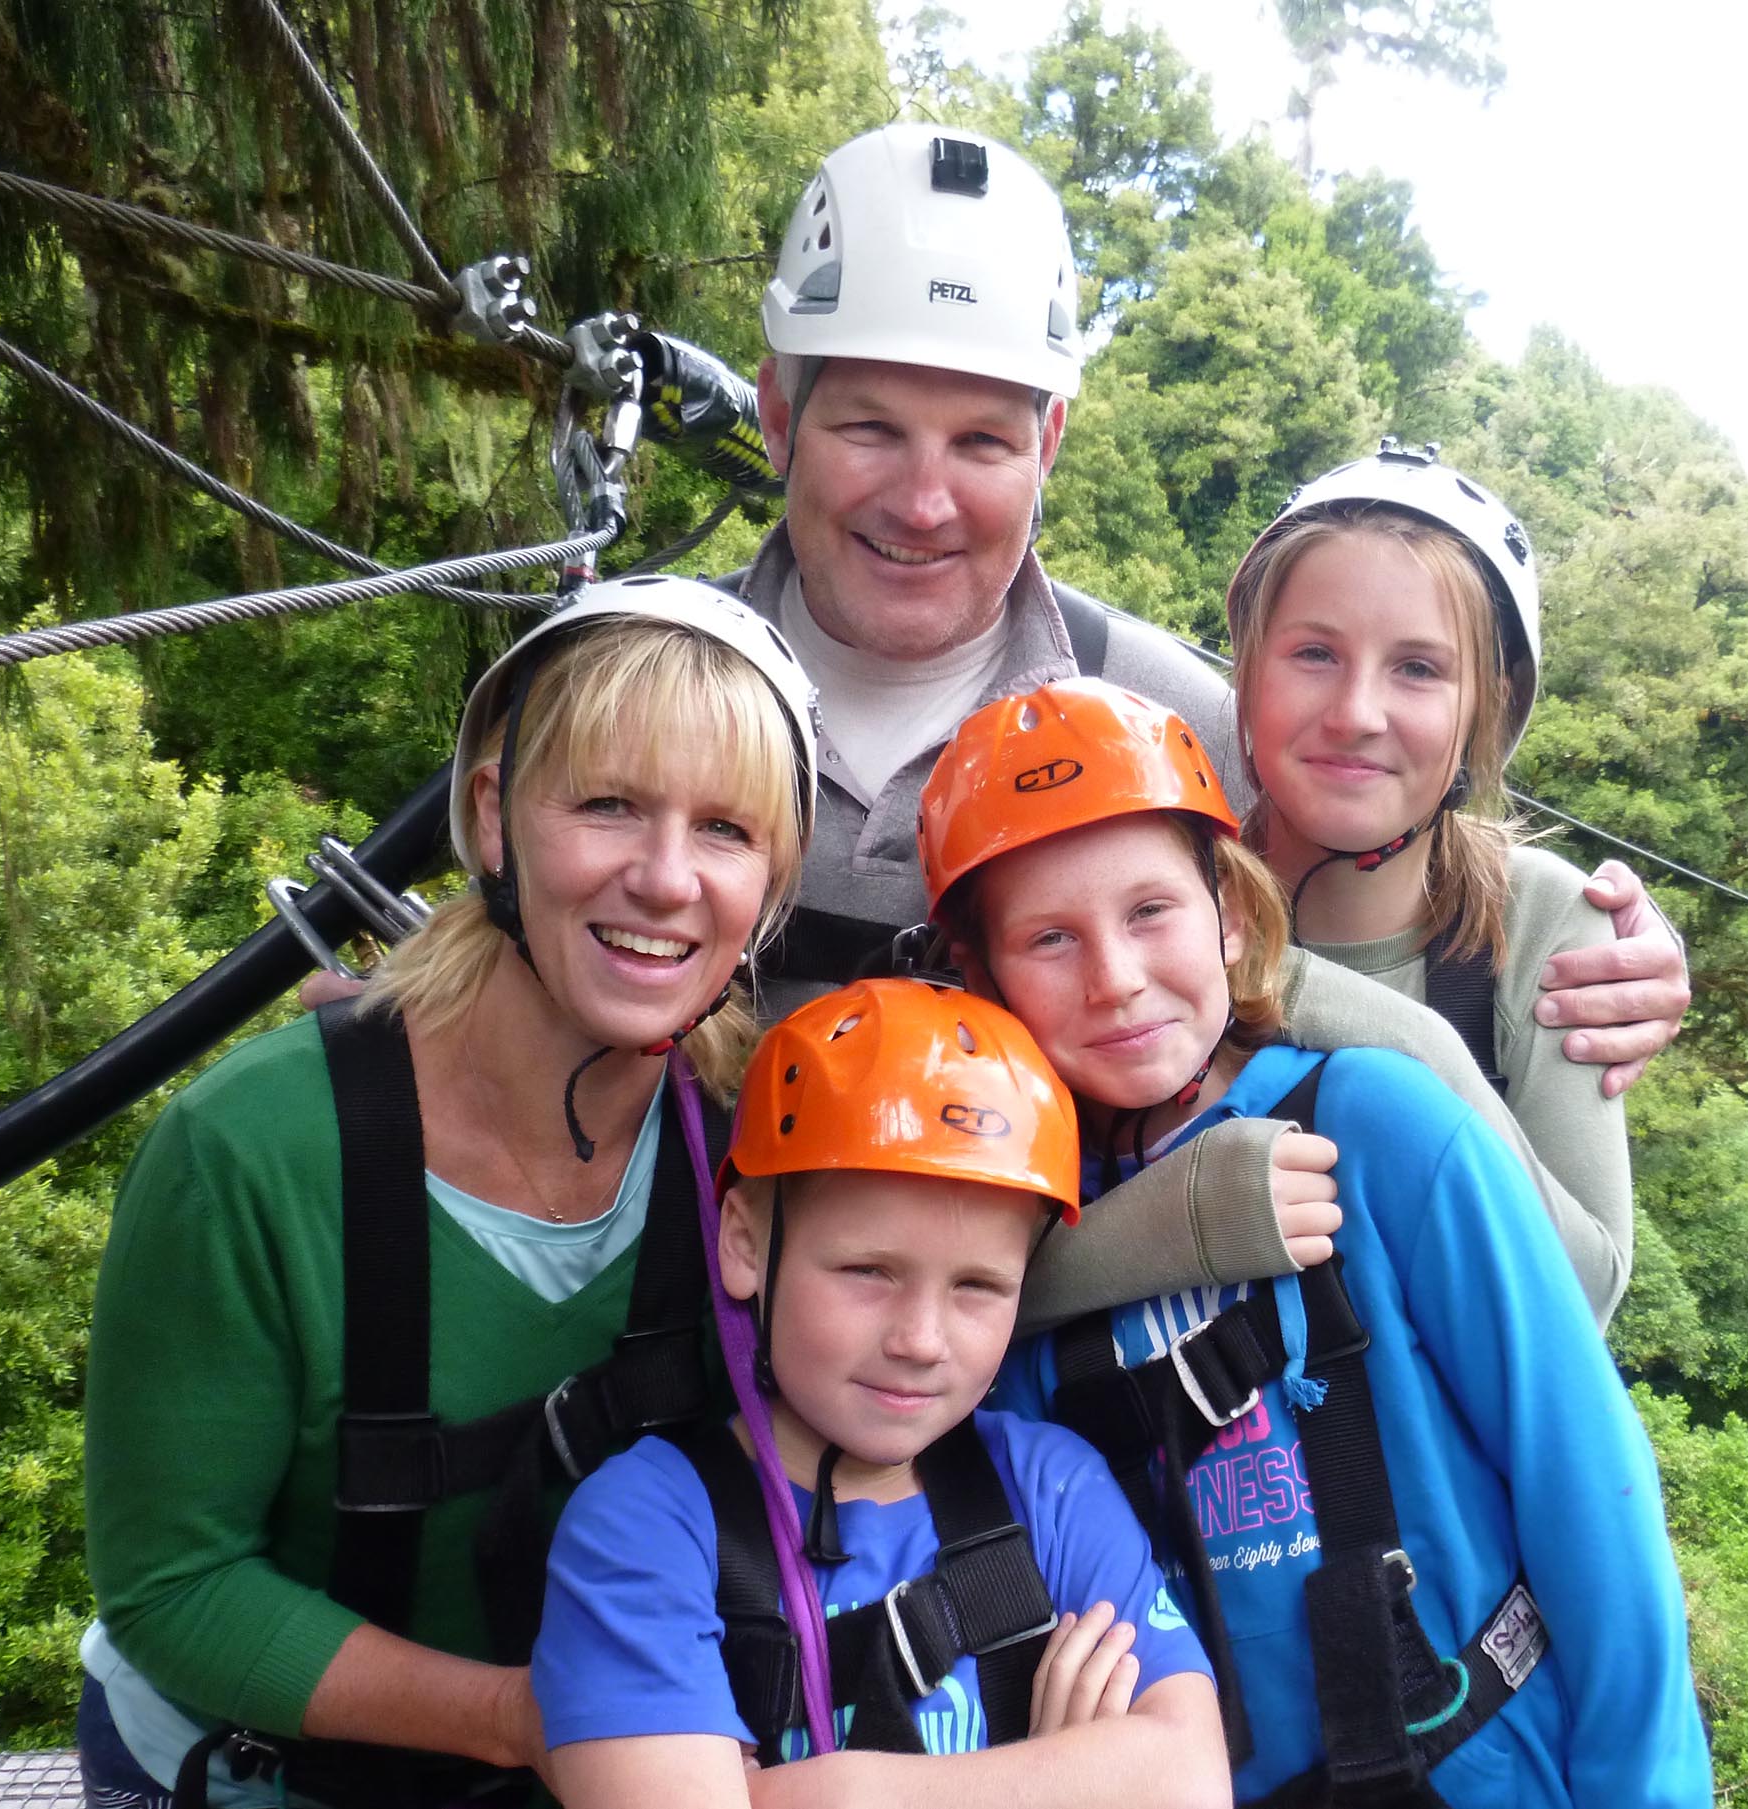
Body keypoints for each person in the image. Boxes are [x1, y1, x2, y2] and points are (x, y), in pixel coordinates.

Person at [710, 120, 1687, 1329]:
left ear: (1048, 443)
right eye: (869, 427)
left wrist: (1622, 955)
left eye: (980, 440)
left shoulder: (1171, 724)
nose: (922, 500)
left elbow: (1358, 824)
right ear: (776, 410)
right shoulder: (651, 692)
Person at [79, 575, 817, 1808]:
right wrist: (520, 1719)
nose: (666, 878)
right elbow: (174, 1587)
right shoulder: (255, 1153)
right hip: (272, 1767)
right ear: (492, 817)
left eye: (727, 832)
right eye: (606, 806)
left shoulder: (747, 1141)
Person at [918, 680, 1710, 1808]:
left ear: (1231, 918)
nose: (1115, 978)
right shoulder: (1011, 1239)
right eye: (1049, 938)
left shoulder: (1378, 1131)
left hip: (1485, 1763)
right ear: (985, 979)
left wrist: (1648, 1792)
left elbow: (1581, 1476)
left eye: (1151, 912)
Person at [533, 978, 1229, 1806]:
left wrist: (824, 1790)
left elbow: (1186, 1779)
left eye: (978, 1286)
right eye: (868, 1271)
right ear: (746, 1243)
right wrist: (1057, 1780)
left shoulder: (1048, 1484)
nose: (921, 1341)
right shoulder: (645, 1525)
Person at [1223, 441, 1634, 1308]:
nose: (1355, 714)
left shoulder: (1539, 921)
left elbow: (1585, 1291)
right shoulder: (1151, 900)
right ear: (1249, 666)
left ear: (1485, 706)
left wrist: (1420, 1047)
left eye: (1417, 669)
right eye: (1313, 654)